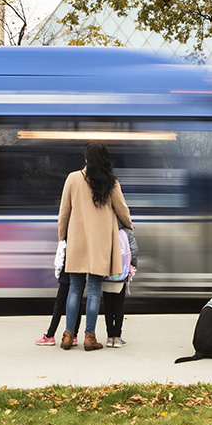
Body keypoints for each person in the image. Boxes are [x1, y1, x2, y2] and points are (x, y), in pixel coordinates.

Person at [57, 142, 133, 351]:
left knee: (74, 289)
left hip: (77, 241)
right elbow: (122, 210)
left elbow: (64, 212)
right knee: (93, 290)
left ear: (86, 159)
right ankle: (89, 338)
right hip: (100, 244)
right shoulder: (111, 182)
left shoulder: (72, 179)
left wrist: (63, 237)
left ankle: (67, 336)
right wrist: (129, 226)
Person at [102, 222, 138, 348]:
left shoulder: (103, 226)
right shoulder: (126, 231)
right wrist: (133, 267)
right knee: (119, 305)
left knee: (107, 306)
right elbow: (133, 250)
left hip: (105, 274)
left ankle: (109, 336)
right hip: (121, 273)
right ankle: (117, 337)